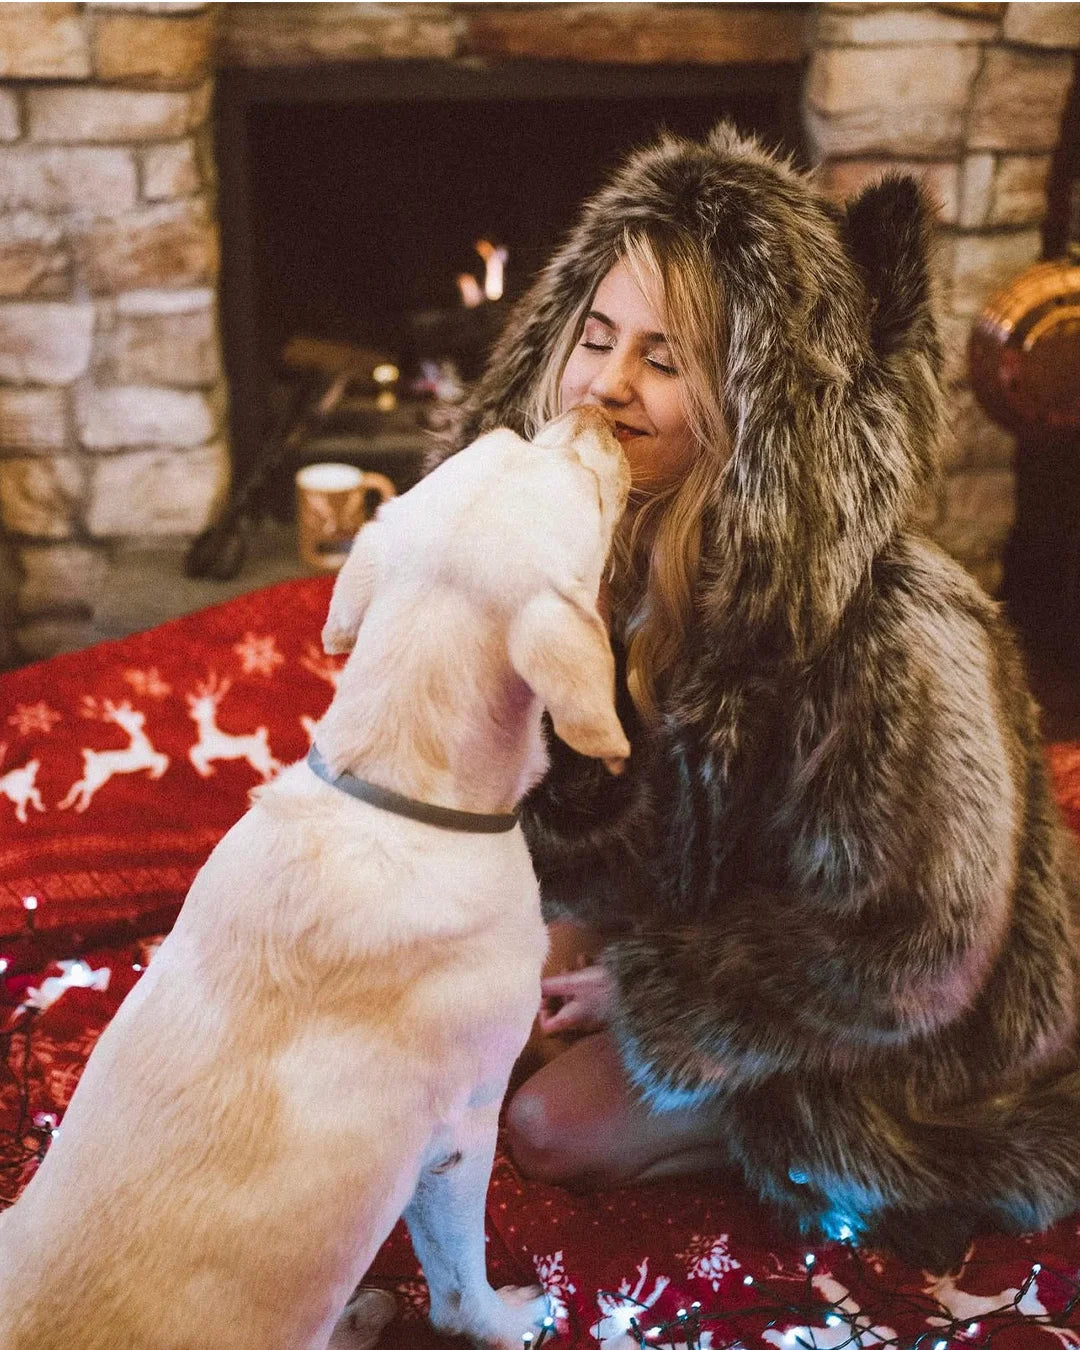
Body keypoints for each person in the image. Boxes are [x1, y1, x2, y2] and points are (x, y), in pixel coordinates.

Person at [425, 123, 1080, 1272]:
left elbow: (909, 951)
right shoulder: (599, 542)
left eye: (666, 361)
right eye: (597, 339)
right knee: (474, 1030)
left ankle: (804, 1138)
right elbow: (589, 806)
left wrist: (656, 998)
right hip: (715, 909)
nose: (609, 388)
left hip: (900, 998)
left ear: (751, 402)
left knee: (547, 1128)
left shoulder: (893, 634)